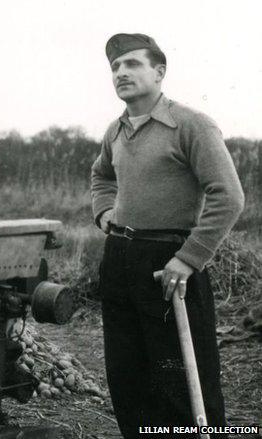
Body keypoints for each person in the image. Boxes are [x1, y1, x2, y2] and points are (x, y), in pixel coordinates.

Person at [90, 33, 244, 437]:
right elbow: (100, 175)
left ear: (159, 72)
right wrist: (104, 212)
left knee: (180, 378)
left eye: (132, 64)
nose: (121, 73)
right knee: (128, 375)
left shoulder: (190, 124)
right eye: (115, 67)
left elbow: (228, 196)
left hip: (169, 263)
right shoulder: (116, 130)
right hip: (119, 258)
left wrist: (190, 257)